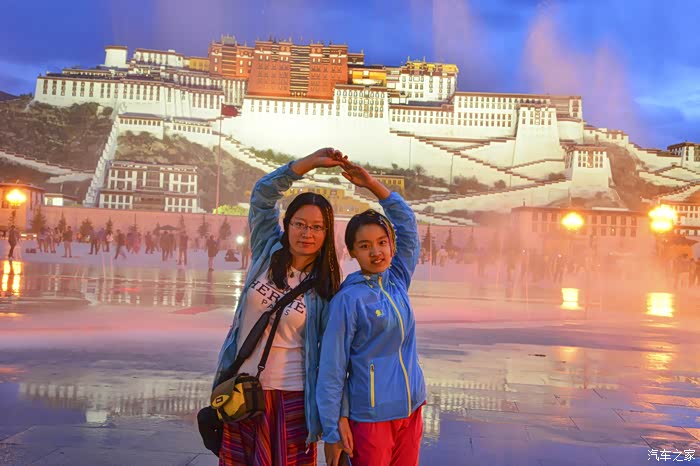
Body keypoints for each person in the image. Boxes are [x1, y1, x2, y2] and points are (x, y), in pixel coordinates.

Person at [213, 148, 345, 466]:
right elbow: (262, 195)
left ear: (327, 234)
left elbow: (334, 360)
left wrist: (335, 424)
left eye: (317, 227)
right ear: (287, 224)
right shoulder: (266, 251)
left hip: (293, 399)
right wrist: (308, 164)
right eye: (300, 224)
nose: (307, 233)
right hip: (242, 393)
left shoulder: (326, 289)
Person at [317, 161, 426, 466]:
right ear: (352, 252)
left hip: (411, 409)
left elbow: (407, 225)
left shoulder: (397, 280)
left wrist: (372, 185)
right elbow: (332, 368)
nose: (376, 252)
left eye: (382, 243)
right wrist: (332, 429)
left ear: (391, 245)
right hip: (371, 417)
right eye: (365, 246)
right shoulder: (348, 300)